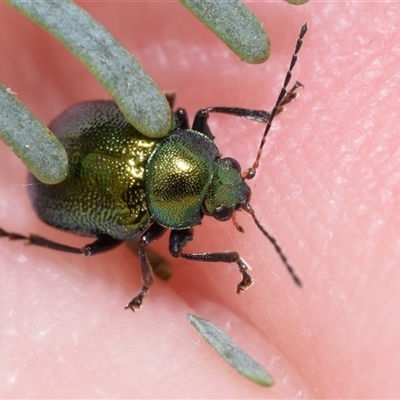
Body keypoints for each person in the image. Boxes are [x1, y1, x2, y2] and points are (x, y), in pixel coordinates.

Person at [0, 2, 398, 397]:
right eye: (223, 206)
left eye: (222, 204)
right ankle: (29, 241)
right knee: (106, 248)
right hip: (64, 161)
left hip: (68, 142)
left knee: (126, 235)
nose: (236, 189)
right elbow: (157, 245)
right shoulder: (157, 211)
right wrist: (227, 260)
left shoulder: (173, 153)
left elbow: (194, 118)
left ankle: (31, 241)